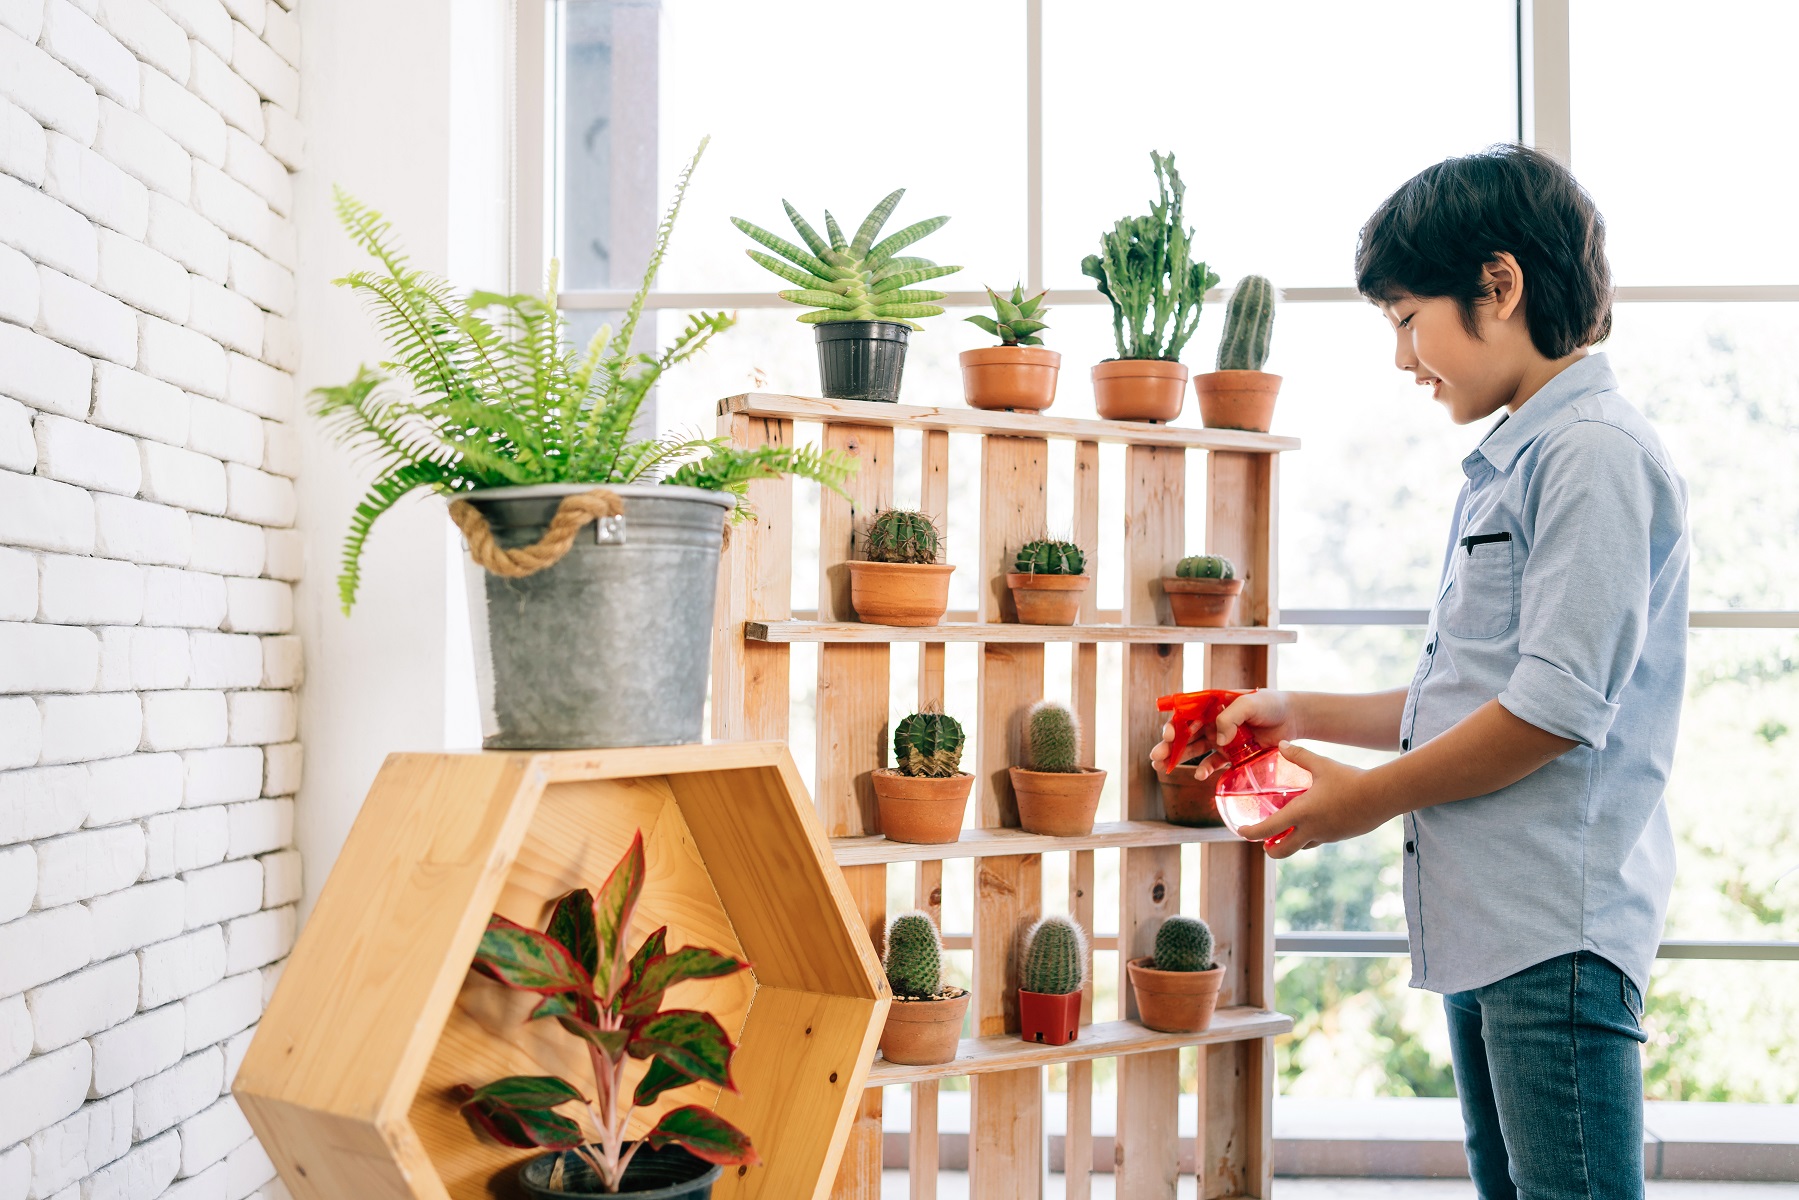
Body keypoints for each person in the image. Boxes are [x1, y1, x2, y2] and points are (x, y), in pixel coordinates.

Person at [1153, 144, 1689, 1200]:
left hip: (1552, 933)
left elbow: (1546, 713)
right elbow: (1476, 699)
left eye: (1405, 318)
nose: (1401, 357)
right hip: (1494, 923)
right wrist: (1296, 709)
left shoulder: (1592, 453)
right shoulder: (1517, 457)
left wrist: (1359, 803)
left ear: (1498, 286)